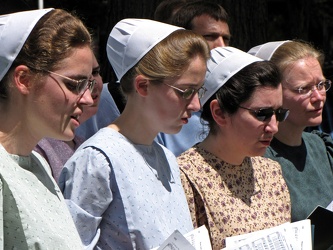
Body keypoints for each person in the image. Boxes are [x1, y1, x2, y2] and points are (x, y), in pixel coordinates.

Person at [59, 18, 210, 249]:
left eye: (199, 91)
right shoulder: (98, 160)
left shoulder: (166, 157)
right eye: (186, 91)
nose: (196, 105)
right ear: (143, 86)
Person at [177, 47, 291, 249]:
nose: (274, 126)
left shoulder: (271, 172)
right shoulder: (185, 176)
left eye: (279, 113)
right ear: (219, 112)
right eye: (262, 114)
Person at [0, 8, 95, 248]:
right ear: (24, 80)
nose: (87, 99)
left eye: (89, 84)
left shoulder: (37, 164)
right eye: (74, 84)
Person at [248, 40, 333, 222]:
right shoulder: (258, 157)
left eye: (321, 85)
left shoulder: (321, 146)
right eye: (303, 89)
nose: (318, 97)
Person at [156, 0, 231, 156]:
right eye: (210, 36)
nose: (222, 46)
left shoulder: (234, 100)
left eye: (226, 38)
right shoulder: (160, 100)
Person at [34, 54, 104, 183]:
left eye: (96, 72)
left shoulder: (82, 143)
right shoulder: (34, 147)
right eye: (73, 84)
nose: (87, 98)